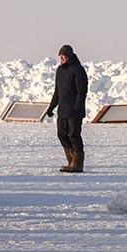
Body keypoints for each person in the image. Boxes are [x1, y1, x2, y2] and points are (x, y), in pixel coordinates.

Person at [46, 44, 89, 172]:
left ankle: (77, 164)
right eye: (60, 56)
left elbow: (82, 90)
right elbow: (57, 91)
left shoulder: (78, 69)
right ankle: (71, 160)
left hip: (74, 111)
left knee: (74, 135)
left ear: (69, 56)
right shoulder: (60, 70)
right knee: (62, 134)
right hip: (63, 110)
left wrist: (77, 107)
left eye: (63, 55)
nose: (61, 58)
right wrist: (51, 107)